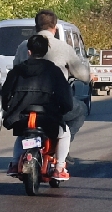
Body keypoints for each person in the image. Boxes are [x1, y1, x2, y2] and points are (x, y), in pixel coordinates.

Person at [0, 32, 74, 178]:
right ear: (46, 52)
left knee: (22, 135)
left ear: (29, 51)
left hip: (21, 117)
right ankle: (59, 168)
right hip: (48, 118)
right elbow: (65, 96)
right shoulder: (54, 71)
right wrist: (64, 109)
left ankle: (15, 163)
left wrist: (8, 109)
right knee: (64, 135)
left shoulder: (16, 71)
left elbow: (5, 94)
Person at [34, 11, 92, 181]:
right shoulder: (63, 48)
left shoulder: (24, 46)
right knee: (80, 110)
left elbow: (16, 67)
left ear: (35, 26)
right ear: (55, 27)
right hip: (53, 103)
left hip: (26, 102)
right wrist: (89, 77)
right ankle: (62, 152)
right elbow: (81, 74)